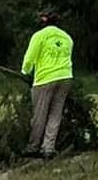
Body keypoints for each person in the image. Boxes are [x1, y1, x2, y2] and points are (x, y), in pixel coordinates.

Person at [21, 9, 74, 159]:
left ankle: (33, 147)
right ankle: (48, 148)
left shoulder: (39, 36)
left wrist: (25, 72)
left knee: (40, 114)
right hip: (65, 77)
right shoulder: (67, 37)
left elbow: (30, 58)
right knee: (55, 114)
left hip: (45, 79)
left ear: (43, 21)